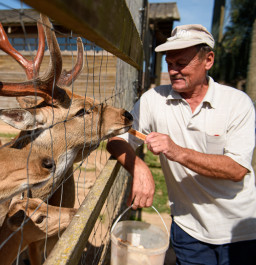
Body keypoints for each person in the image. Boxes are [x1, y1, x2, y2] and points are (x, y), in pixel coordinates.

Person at [107, 24, 256, 265]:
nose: (174, 71)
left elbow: (237, 169)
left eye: (182, 63)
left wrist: (175, 151)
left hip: (239, 230)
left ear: (208, 60)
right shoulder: (154, 99)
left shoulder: (237, 104)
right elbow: (116, 139)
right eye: (170, 63)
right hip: (188, 228)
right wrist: (140, 168)